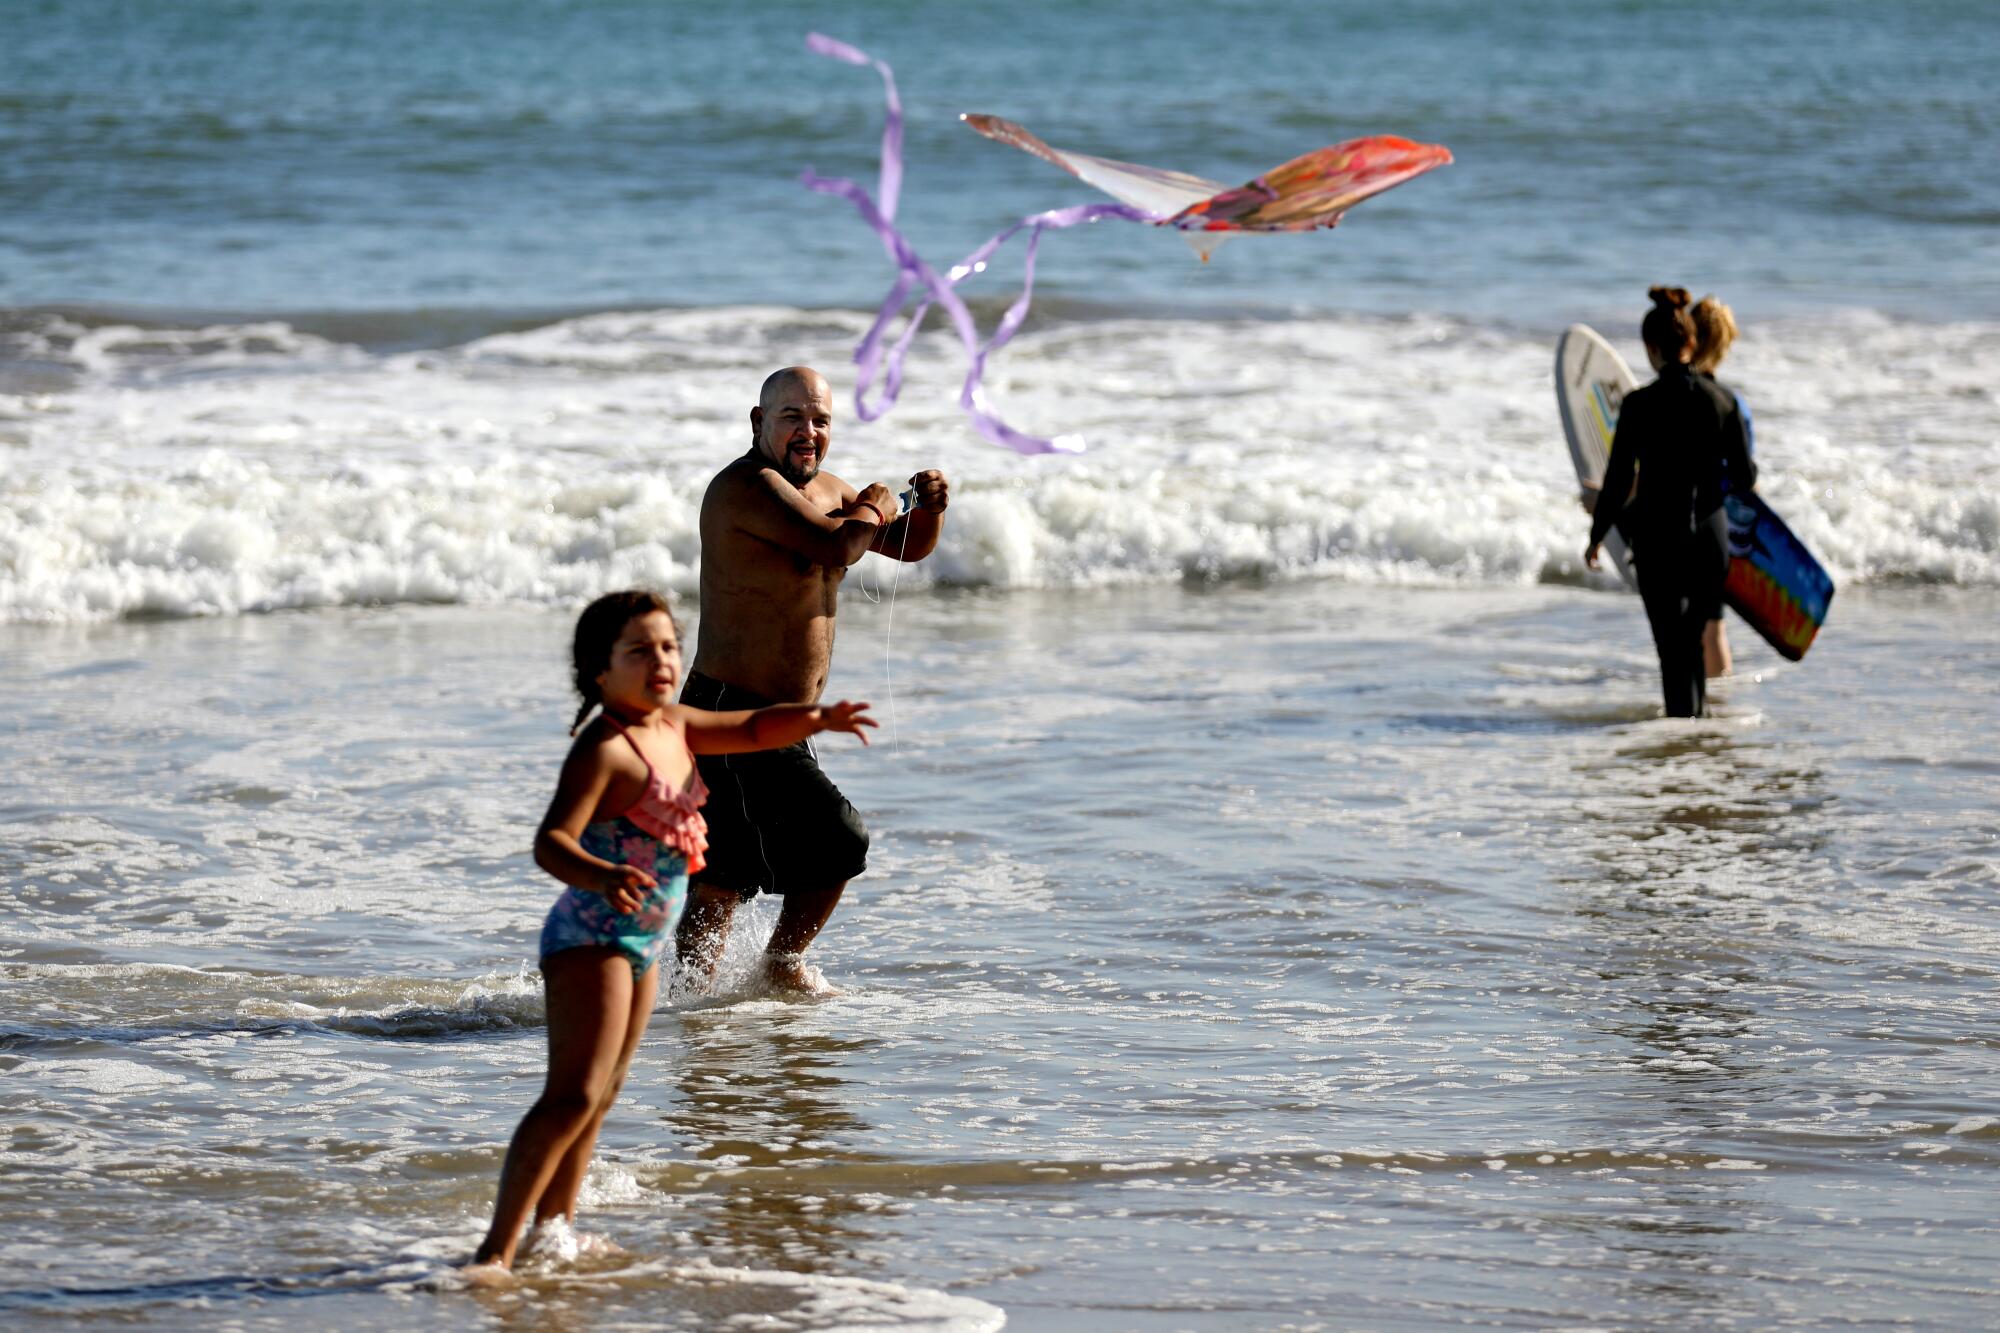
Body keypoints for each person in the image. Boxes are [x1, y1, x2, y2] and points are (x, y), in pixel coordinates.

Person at [469, 589, 875, 1272]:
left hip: (644, 946)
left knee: (601, 1094)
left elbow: (748, 730)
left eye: (668, 645)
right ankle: (494, 1251)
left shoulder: (676, 723)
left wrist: (817, 717)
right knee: (570, 1095)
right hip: (591, 939)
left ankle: (554, 1231)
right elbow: (551, 843)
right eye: (639, 650)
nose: (660, 659)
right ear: (600, 672)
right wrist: (600, 876)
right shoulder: (606, 746)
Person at [675, 366, 949, 994]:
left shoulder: (831, 491)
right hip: (731, 711)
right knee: (838, 837)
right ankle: (779, 965)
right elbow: (835, 547)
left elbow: (904, 547)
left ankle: (688, 1010)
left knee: (726, 871)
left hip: (778, 720)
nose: (808, 430)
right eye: (792, 416)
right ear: (758, 422)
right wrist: (874, 504)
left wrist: (929, 508)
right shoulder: (746, 487)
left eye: (820, 418)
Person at [1586, 288, 1755, 718]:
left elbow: (1619, 479)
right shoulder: (1723, 401)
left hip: (1660, 538)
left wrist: (1597, 534)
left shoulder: (1639, 405)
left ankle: (1680, 751)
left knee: (1672, 650)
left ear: (1651, 348)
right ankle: (1697, 743)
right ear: (1692, 343)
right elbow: (1743, 478)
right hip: (1709, 539)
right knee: (1696, 642)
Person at [1690, 295, 1756, 679]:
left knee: (1682, 623)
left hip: (1670, 518)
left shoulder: (1666, 396)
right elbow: (1745, 475)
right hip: (1718, 523)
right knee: (1714, 624)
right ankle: (1719, 720)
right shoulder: (1732, 404)